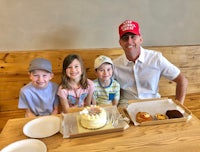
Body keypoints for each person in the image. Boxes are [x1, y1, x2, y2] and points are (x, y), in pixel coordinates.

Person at [113, 20, 188, 107]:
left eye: (133, 37)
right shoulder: (114, 65)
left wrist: (178, 107)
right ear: (120, 43)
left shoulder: (156, 58)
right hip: (127, 106)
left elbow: (182, 80)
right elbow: (106, 88)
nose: (129, 41)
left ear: (140, 39)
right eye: (125, 38)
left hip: (153, 104)